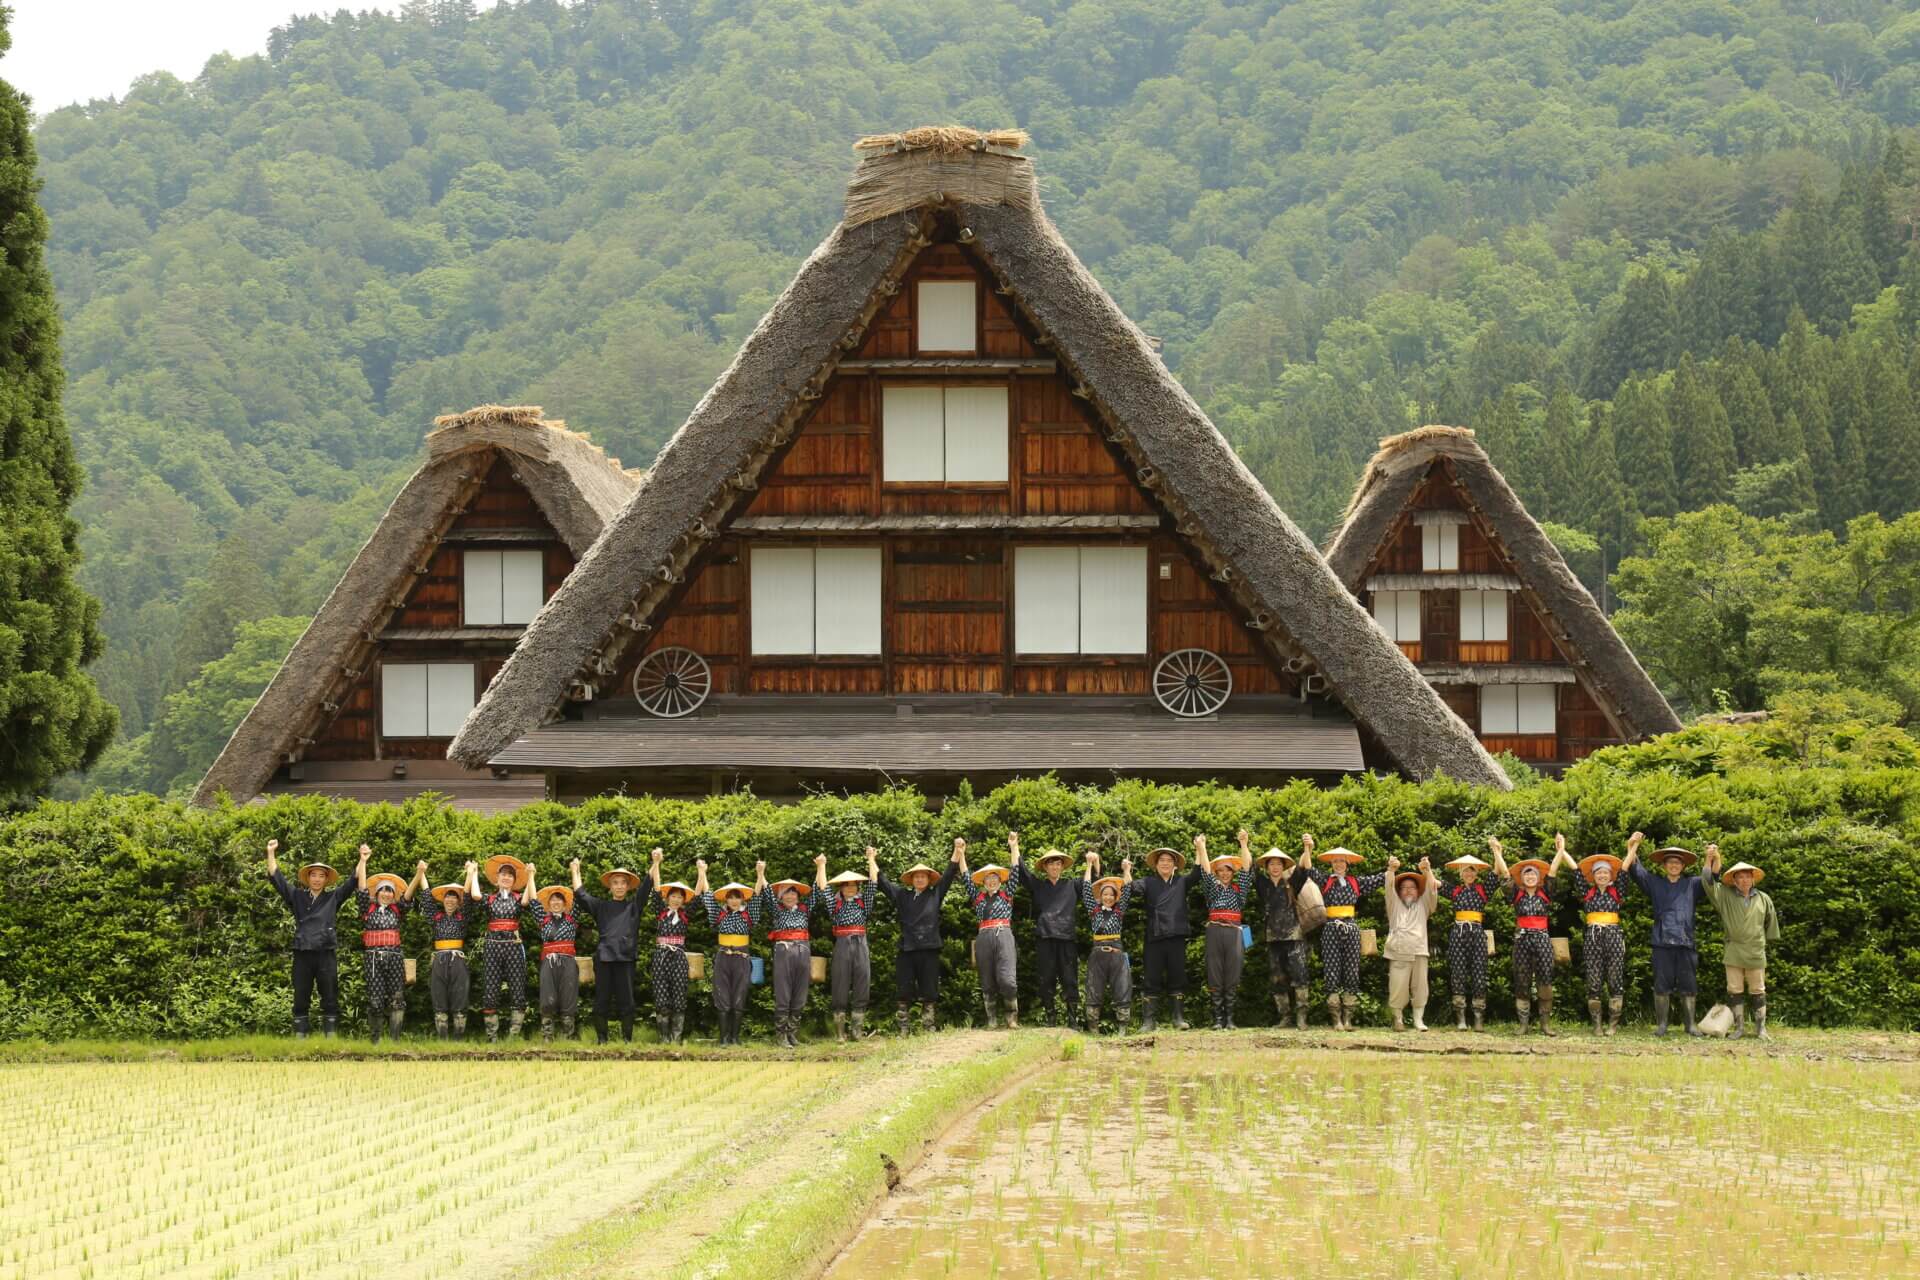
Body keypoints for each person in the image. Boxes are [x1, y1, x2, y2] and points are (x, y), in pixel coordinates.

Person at [264, 838, 356, 1038]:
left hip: (326, 953)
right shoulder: (297, 896)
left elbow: (352, 882)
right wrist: (271, 852)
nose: (316, 879)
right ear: (308, 878)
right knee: (301, 995)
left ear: (325, 879)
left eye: (321, 876)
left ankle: (330, 1038)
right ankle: (301, 1036)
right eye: (313, 875)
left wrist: (363, 859)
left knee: (330, 995)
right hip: (303, 952)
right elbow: (276, 877)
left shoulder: (333, 897)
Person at [1624, 831, 1710, 1036]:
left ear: (1683, 866)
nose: (1674, 865)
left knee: (1689, 984)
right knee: (1661, 984)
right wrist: (1632, 844)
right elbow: (1634, 868)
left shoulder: (1693, 884)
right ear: (1664, 866)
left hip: (1686, 942)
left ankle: (1690, 1025)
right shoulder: (1654, 883)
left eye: (1677, 863)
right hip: (1661, 941)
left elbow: (1710, 877)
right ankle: (1662, 1025)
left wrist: (1711, 856)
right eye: (1670, 862)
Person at [874, 840, 963, 1034]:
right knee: (904, 990)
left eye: (923, 876)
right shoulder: (902, 896)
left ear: (928, 879)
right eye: (917, 876)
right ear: (912, 879)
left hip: (930, 948)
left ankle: (928, 1025)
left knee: (930, 990)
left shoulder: (935, 893)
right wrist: (871, 859)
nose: (920, 879)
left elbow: (948, 874)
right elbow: (883, 882)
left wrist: (957, 851)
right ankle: (903, 1028)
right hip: (907, 948)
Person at [1301, 835, 1382, 1030]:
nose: (1338, 864)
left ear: (1347, 864)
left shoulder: (1356, 882)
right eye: (1335, 861)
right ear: (1331, 864)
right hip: (1330, 928)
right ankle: (1336, 1019)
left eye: (1342, 861)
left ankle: (1348, 1019)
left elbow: (1379, 879)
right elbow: (1307, 869)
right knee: (1331, 970)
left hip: (1351, 928)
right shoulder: (1325, 881)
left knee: (1352, 971)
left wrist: (1391, 869)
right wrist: (1307, 848)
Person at [1703, 847, 1780, 1041]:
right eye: (1740, 877)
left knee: (1758, 990)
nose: (1745, 880)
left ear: (1753, 879)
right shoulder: (1725, 896)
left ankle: (1761, 1029)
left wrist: (1764, 942)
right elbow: (1708, 881)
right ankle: (1738, 1028)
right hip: (1734, 950)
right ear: (1734, 881)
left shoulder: (1764, 898)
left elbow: (1771, 924)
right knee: (1734, 990)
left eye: (1748, 877)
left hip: (1755, 951)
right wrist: (1710, 858)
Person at [572, 854, 646, 1044]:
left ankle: (627, 1041)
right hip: (604, 959)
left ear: (628, 886)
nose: (620, 886)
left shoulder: (634, 906)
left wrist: (655, 863)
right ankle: (602, 1040)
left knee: (627, 1002)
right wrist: (575, 870)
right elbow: (580, 894)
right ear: (610, 886)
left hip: (626, 959)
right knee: (601, 1001)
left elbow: (647, 886)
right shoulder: (601, 906)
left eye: (623, 883)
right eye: (616, 882)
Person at [1557, 842, 1628, 1036]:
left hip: (1613, 936)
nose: (1602, 875)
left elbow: (1624, 869)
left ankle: (1612, 1024)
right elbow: (1575, 870)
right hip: (1592, 938)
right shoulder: (1587, 893)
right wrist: (1562, 851)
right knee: (1594, 981)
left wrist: (1632, 849)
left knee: (1615, 980)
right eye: (1599, 873)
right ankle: (1596, 1024)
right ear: (1594, 876)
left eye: (1605, 872)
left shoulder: (1616, 892)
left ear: (1610, 875)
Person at [354, 849, 424, 1043]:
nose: (386, 893)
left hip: (394, 957)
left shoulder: (397, 910)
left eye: (389, 890)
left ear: (393, 895)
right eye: (383, 890)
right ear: (376, 893)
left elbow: (408, 895)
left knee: (397, 999)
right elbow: (361, 888)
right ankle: (375, 1041)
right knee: (375, 1001)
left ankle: (395, 1041)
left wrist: (418, 874)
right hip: (373, 959)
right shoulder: (366, 909)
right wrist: (363, 861)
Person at [1491, 835, 1558, 1036]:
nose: (1530, 877)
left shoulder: (1545, 893)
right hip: (1522, 940)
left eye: (1533, 874)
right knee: (1522, 980)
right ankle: (1523, 1024)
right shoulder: (1516, 894)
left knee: (1545, 980)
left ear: (1538, 878)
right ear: (1523, 878)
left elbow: (1553, 872)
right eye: (1527, 874)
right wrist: (1497, 852)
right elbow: (1504, 873)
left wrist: (1560, 851)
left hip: (1542, 939)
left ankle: (1545, 1024)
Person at [1016, 834, 1082, 1028]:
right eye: (1051, 864)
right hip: (1045, 936)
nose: (1055, 867)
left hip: (1067, 937)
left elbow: (1091, 883)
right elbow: (1023, 873)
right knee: (1046, 978)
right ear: (1045, 867)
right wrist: (1014, 847)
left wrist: (1093, 862)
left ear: (1062, 867)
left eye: (1058, 864)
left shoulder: (1072, 885)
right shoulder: (1039, 886)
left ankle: (1072, 1020)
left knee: (1070, 978)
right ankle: (1051, 1018)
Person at [699, 860, 766, 1047]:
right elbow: (708, 896)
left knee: (739, 997)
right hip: (722, 958)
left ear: (742, 899)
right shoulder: (719, 914)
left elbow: (758, 895)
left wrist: (760, 873)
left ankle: (735, 1038)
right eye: (731, 897)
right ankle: (723, 1038)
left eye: (738, 897)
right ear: (726, 899)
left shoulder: (748, 914)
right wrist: (702, 872)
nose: (734, 901)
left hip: (742, 958)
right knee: (722, 998)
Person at [1136, 844, 1202, 1032]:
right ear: (1156, 864)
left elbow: (1197, 874)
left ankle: (1178, 1018)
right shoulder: (1148, 882)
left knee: (1177, 976)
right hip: (1154, 936)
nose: (1165, 863)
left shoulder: (1181, 881)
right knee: (1151, 978)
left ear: (1175, 865)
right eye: (1162, 860)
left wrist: (1199, 848)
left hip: (1176, 935)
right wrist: (1126, 871)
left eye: (1169, 860)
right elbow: (1130, 888)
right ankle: (1149, 1022)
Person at [1196, 832, 1255, 1030]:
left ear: (1232, 872)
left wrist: (1244, 843)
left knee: (1233, 972)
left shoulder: (1239, 890)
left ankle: (1229, 1019)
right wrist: (1202, 847)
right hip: (1214, 931)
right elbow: (1204, 870)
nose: (1224, 873)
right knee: (1214, 973)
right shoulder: (1212, 888)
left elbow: (1247, 867)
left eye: (1228, 870)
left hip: (1234, 932)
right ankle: (1217, 1020)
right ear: (1217, 872)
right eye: (1220, 870)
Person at [1251, 844, 1311, 1030]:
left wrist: (1307, 848)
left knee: (1300, 977)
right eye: (1272, 864)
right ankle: (1285, 1018)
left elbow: (1304, 867)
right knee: (1277, 980)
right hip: (1273, 938)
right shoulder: (1263, 884)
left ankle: (1302, 1018)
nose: (1275, 867)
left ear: (1283, 866)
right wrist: (1244, 844)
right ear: (1267, 867)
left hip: (1294, 937)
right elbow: (1248, 867)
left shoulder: (1292, 883)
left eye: (1278, 864)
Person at [816, 853, 875, 1042]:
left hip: (861, 942)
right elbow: (823, 887)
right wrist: (821, 865)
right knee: (840, 984)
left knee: (862, 982)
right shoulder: (835, 904)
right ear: (841, 887)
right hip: (842, 943)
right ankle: (840, 1032)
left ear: (857, 886)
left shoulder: (863, 902)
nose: (850, 888)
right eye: (846, 885)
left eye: (853, 885)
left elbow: (873, 881)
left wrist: (871, 858)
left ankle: (857, 1031)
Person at [961, 844, 1019, 1029]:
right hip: (984, 937)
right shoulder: (978, 898)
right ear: (984, 882)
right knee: (986, 979)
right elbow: (965, 877)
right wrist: (961, 854)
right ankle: (991, 1019)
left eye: (995, 878)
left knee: (1007, 980)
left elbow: (1016, 870)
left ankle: (1011, 1017)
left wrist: (1014, 846)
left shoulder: (1007, 895)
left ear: (1000, 880)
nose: (992, 881)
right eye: (988, 879)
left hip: (1004, 935)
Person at [478, 853, 535, 1042]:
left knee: (518, 989)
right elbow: (475, 895)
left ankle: (513, 1036)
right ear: (497, 878)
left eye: (510, 875)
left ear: (514, 881)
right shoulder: (490, 899)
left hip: (513, 946)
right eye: (503, 874)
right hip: (492, 947)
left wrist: (531, 875)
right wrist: (472, 872)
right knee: (490, 990)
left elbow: (529, 899)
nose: (506, 877)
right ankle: (491, 1036)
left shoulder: (519, 898)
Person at [643, 849, 696, 1045]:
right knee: (661, 994)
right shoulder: (660, 912)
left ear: (683, 900)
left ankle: (676, 1038)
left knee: (680, 995)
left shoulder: (685, 915)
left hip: (679, 957)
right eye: (673, 896)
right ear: (668, 898)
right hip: (661, 956)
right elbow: (655, 890)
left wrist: (701, 872)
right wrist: (656, 863)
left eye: (679, 897)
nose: (676, 899)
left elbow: (698, 896)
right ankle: (664, 1038)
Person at [423, 862, 480, 1040]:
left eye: (454, 897)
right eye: (448, 896)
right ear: (443, 899)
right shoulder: (436, 917)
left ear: (458, 901)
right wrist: (421, 873)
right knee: (438, 997)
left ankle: (458, 1039)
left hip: (458, 960)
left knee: (460, 997)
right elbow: (426, 896)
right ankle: (442, 1040)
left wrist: (470, 873)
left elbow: (469, 897)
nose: (450, 900)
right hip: (439, 959)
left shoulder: (463, 916)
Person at [1438, 851, 1494, 1031]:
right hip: (1458, 932)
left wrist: (1497, 852)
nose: (1469, 874)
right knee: (1458, 974)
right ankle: (1460, 1018)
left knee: (1479, 974)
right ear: (1460, 874)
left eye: (1472, 871)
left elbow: (1499, 873)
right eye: (1465, 871)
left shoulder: (1482, 890)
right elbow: (1435, 883)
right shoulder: (1455, 891)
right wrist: (1426, 869)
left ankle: (1478, 1018)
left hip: (1477, 932)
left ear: (1476, 873)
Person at [1381, 855, 1438, 1032]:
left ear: (1417, 891)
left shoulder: (1424, 904)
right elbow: (1389, 887)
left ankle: (1418, 1020)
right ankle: (1398, 1019)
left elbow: (1432, 889)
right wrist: (1391, 870)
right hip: (1398, 950)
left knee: (1420, 987)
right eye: (1404, 888)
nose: (1408, 891)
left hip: (1419, 950)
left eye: (1412, 888)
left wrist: (1427, 870)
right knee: (1398, 986)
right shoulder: (1394, 904)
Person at [1079, 853, 1133, 1033]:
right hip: (1097, 954)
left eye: (1111, 894)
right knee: (1094, 989)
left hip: (1117, 953)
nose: (1108, 897)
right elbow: (1086, 888)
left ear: (1115, 897)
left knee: (1122, 988)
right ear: (1100, 896)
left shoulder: (1119, 911)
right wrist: (1088, 865)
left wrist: (1127, 870)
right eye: (1105, 894)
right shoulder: (1094, 911)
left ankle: (1122, 1029)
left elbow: (1128, 887)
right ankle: (1093, 1028)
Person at [761, 873, 815, 1049]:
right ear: (780, 897)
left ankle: (792, 1033)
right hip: (783, 951)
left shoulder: (804, 910)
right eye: (786, 893)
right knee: (783, 993)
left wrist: (821, 867)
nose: (790, 896)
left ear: (798, 897)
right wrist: (761, 873)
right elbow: (767, 893)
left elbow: (818, 893)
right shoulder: (777, 911)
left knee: (800, 993)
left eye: (793, 893)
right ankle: (781, 1035)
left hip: (803, 950)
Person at [526, 875, 580, 1042]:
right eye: (553, 900)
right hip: (548, 962)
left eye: (559, 900)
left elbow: (579, 896)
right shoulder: (543, 919)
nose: (556, 903)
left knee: (569, 996)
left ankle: (568, 1036)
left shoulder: (572, 920)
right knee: (547, 997)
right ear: (548, 905)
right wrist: (531, 875)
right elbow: (533, 900)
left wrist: (575, 870)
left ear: (565, 904)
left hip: (568, 962)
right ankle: (547, 1036)